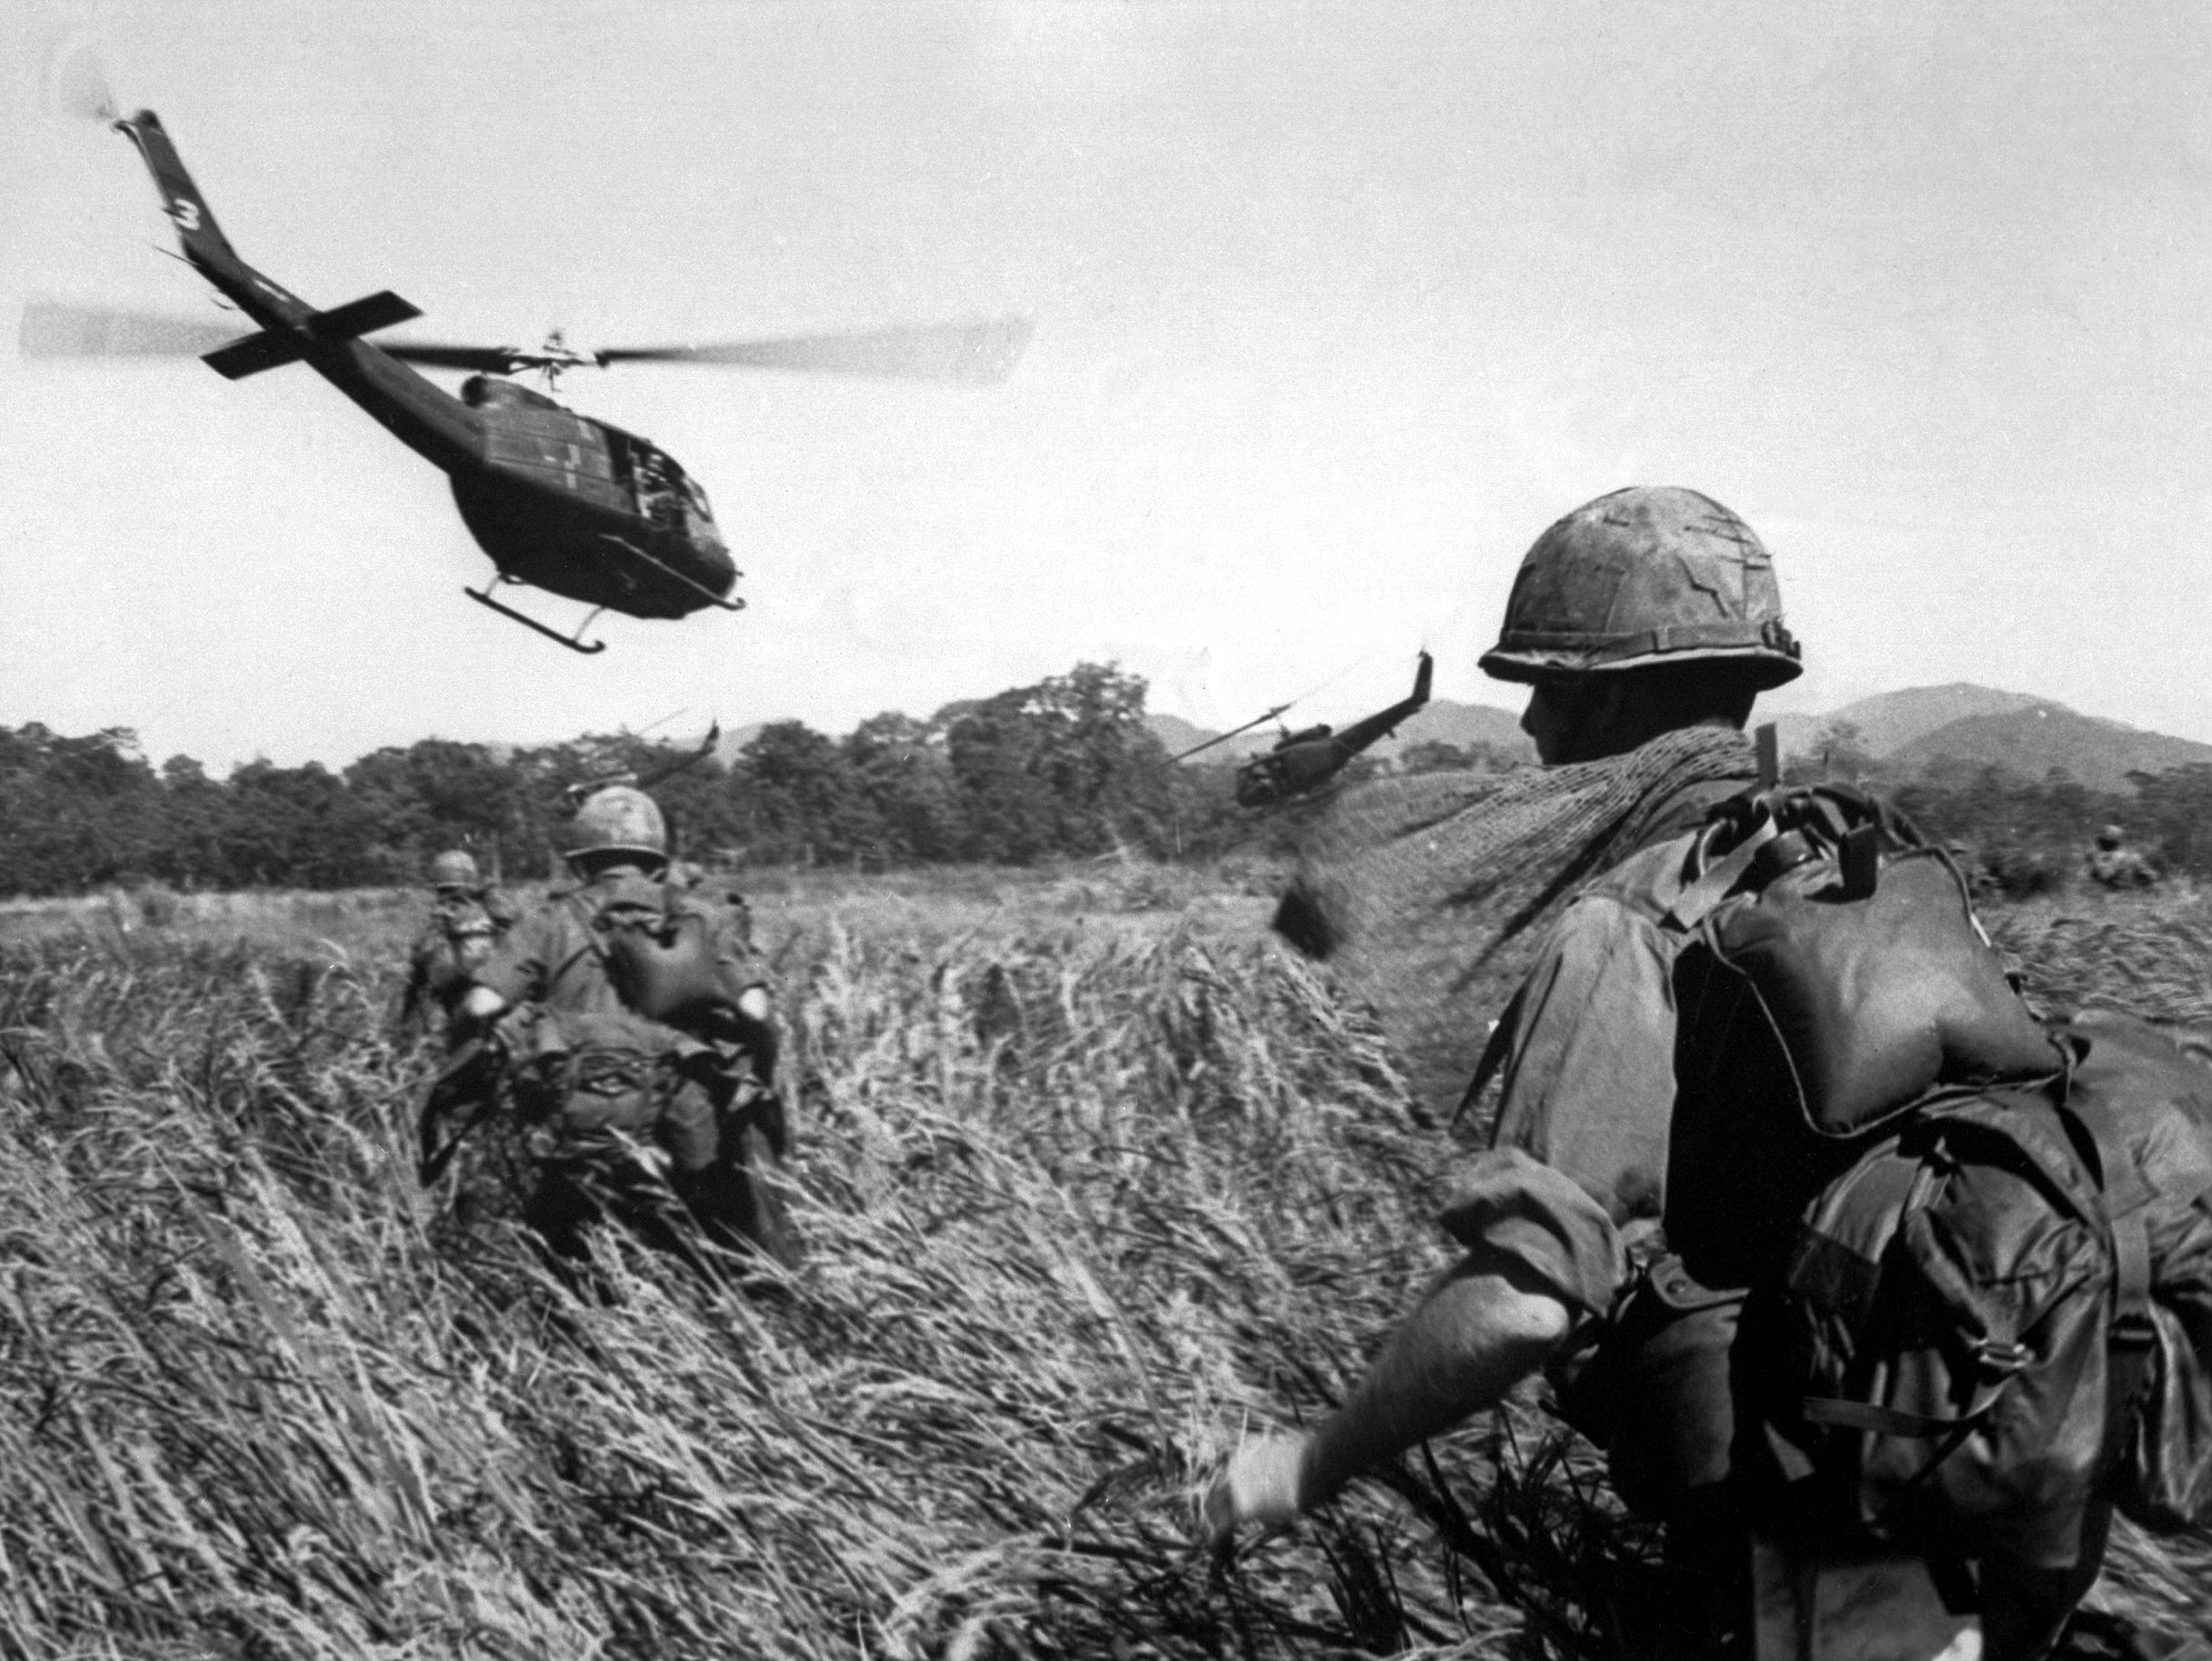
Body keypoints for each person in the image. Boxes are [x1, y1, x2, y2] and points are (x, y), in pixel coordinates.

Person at [1206, 486, 1809, 1645]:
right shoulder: (1850, 863)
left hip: (1800, 1538)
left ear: (1618, 701)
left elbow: (1525, 1304)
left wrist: (1306, 1464)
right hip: (1991, 1459)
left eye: (1553, 691)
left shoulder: (1631, 921)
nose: (1532, 726)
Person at [452, 785, 796, 1275]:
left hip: (581, 1112)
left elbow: (482, 1001)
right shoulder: (699, 917)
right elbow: (757, 1011)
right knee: (716, 1247)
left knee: (573, 1260)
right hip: (683, 1114)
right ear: (657, 863)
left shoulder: (547, 921)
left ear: (580, 864)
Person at [397, 848, 518, 1036]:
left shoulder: (438, 917)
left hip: (458, 1004)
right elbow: (516, 923)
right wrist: (487, 893)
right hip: (498, 998)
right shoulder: (490, 912)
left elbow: (420, 967)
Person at [2087, 823, 2157, 889]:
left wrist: (2094, 859)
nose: (2099, 844)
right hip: (2132, 890)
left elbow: (2105, 876)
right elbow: (2152, 875)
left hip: (2119, 892)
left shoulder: (2117, 856)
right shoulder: (2131, 855)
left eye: (2102, 841)